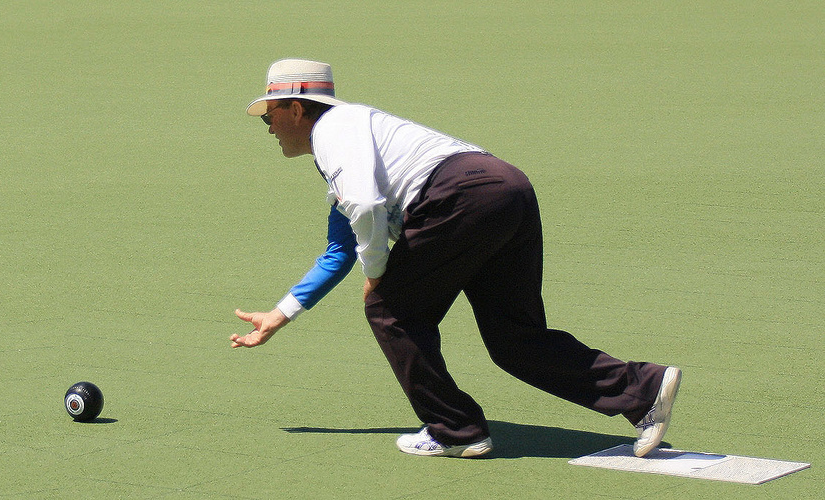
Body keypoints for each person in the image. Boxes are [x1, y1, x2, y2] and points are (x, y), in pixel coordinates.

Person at [230, 58, 681, 458]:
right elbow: (338, 249)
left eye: (269, 115)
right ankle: (641, 390)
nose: (268, 127)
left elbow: (365, 209)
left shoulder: (334, 129)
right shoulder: (355, 144)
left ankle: (455, 431)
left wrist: (378, 271)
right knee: (513, 338)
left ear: (295, 108)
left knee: (390, 310)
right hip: (506, 189)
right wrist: (280, 314)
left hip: (458, 197)